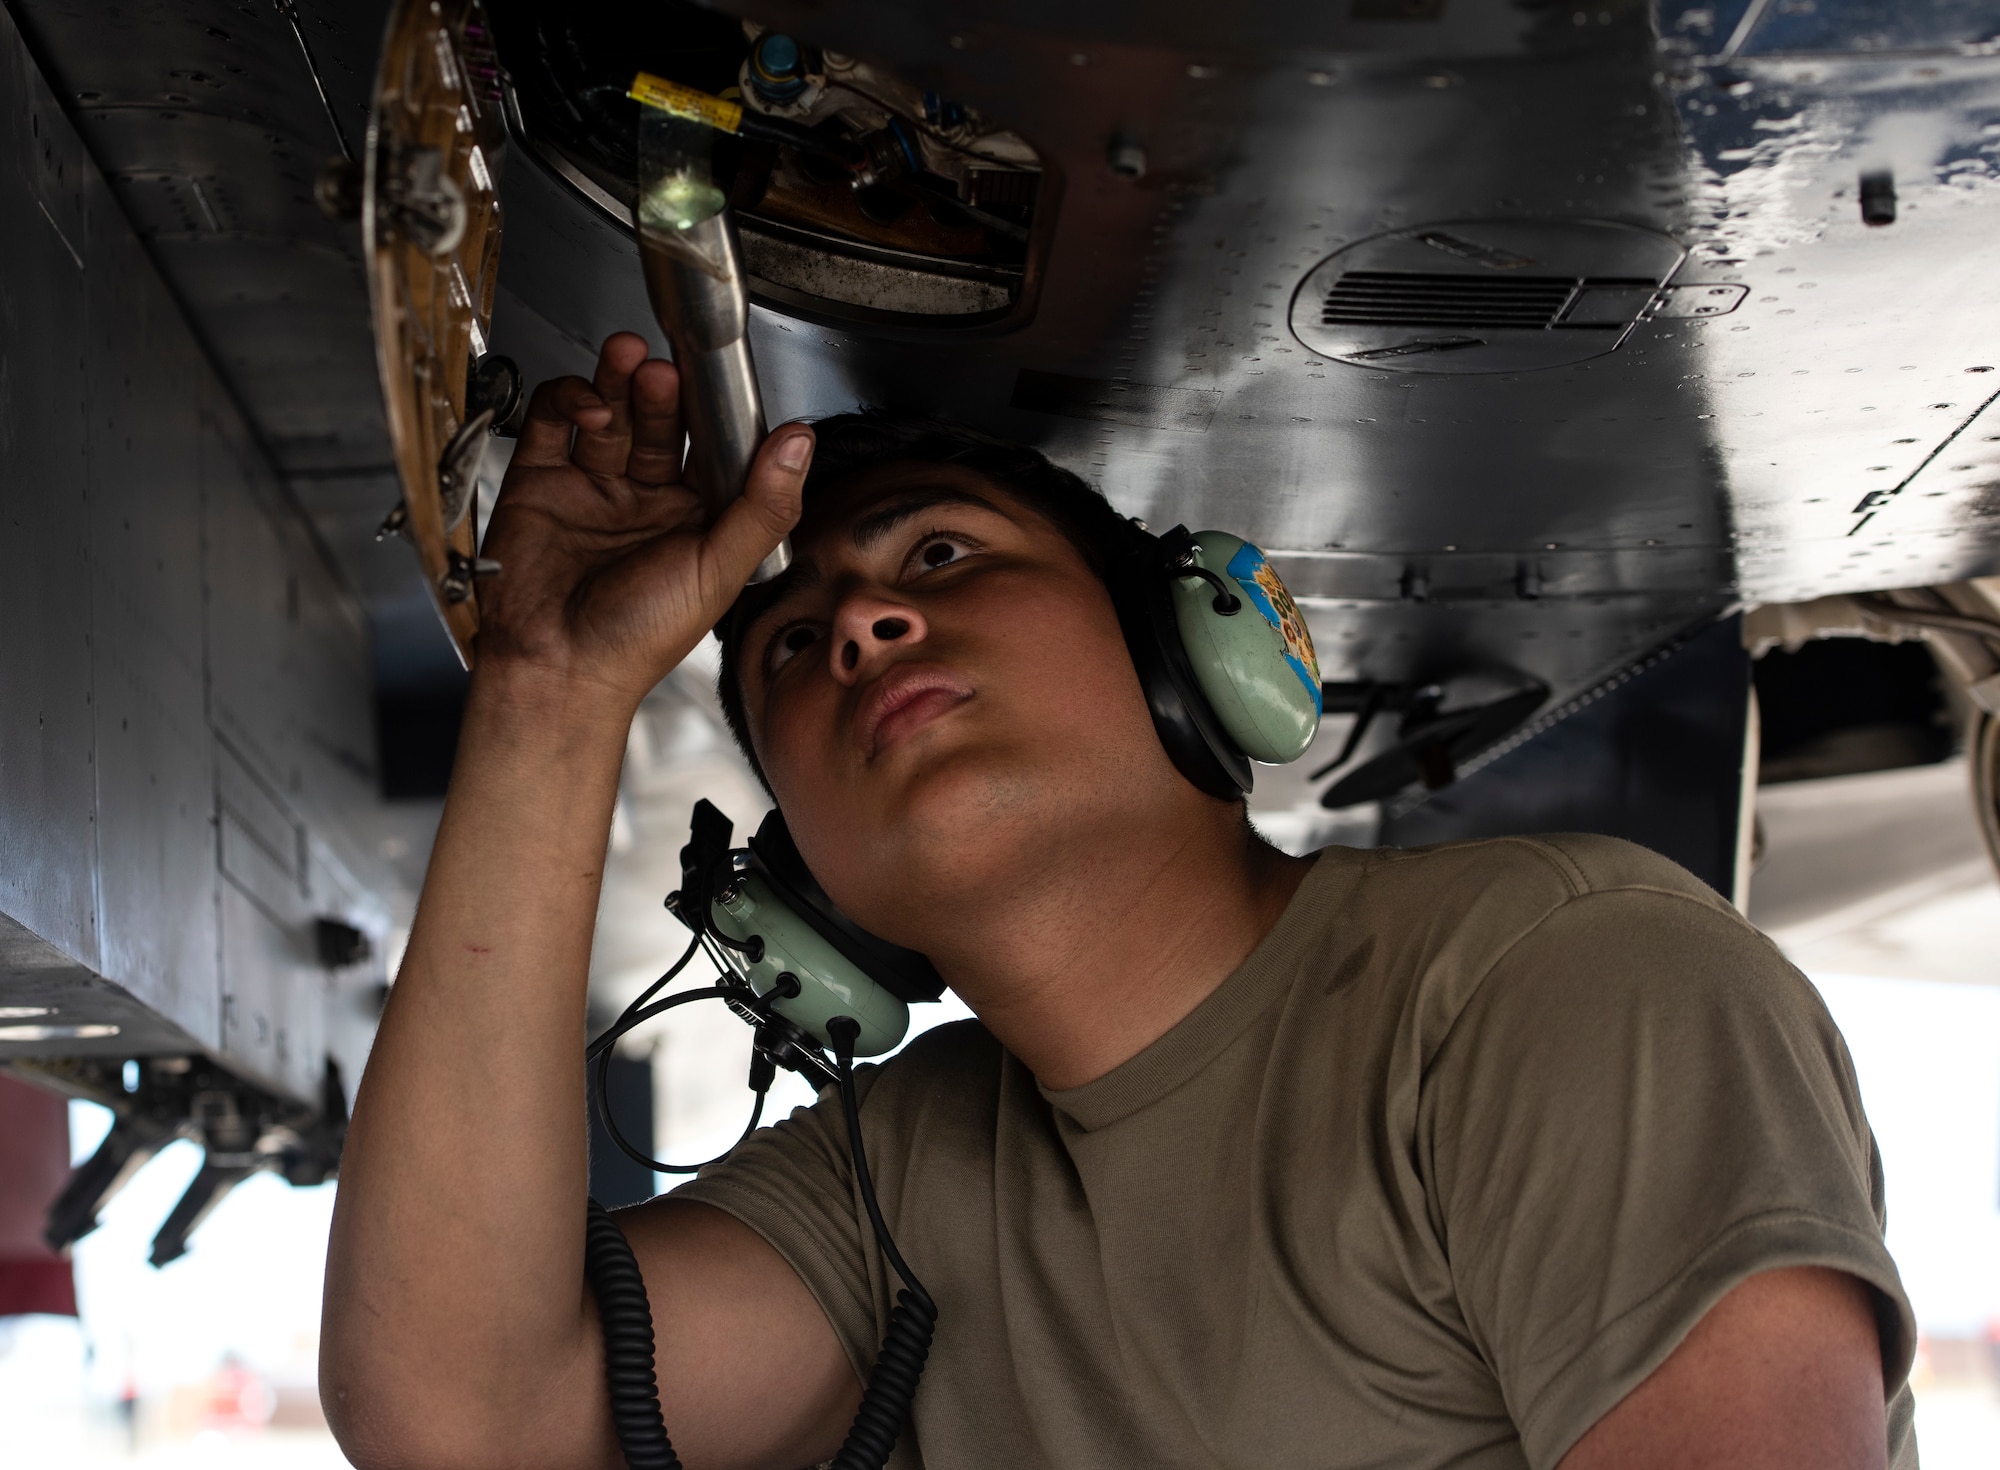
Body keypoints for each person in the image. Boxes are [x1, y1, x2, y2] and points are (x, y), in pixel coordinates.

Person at [321, 333, 1915, 1470]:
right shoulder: (906, 1172)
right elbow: (466, 1420)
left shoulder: (1555, 982)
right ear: (804, 890)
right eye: (790, 648)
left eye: (939, 556)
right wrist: (551, 693)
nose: (863, 622)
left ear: (1184, 654)